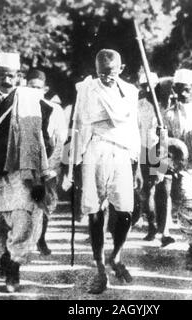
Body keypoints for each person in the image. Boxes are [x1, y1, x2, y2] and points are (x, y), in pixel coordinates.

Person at [67, 49, 142, 294]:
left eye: (110, 73)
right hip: (95, 150)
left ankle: (116, 256)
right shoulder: (86, 89)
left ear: (121, 69)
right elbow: (77, 126)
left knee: (126, 212)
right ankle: (100, 267)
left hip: (122, 154)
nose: (106, 77)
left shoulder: (131, 92)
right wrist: (74, 165)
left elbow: (134, 130)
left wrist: (138, 166)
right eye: (101, 73)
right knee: (95, 211)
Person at [0, 52, 52, 292]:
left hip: (22, 169)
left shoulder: (29, 98)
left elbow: (39, 135)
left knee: (22, 218)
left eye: (11, 75)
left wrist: (41, 170)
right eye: (2, 75)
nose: (6, 80)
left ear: (18, 76)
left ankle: (14, 268)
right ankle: (4, 256)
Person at [164, 68, 192, 268]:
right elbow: (161, 142)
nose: (183, 93)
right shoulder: (169, 114)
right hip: (184, 168)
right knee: (189, 206)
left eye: (187, 89)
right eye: (178, 88)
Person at [26, 68, 67, 256]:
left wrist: (57, 166)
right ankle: (25, 239)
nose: (35, 91)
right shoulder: (22, 107)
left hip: (49, 165)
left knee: (46, 203)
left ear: (45, 89)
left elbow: (61, 139)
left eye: (38, 88)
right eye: (31, 87)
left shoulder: (55, 110)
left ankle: (41, 238)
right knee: (25, 202)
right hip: (26, 165)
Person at [137, 71, 161, 241]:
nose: (147, 89)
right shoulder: (139, 106)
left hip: (163, 150)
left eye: (150, 86)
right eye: (144, 86)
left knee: (163, 189)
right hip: (145, 150)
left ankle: (164, 227)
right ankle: (152, 224)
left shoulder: (165, 105)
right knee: (148, 189)